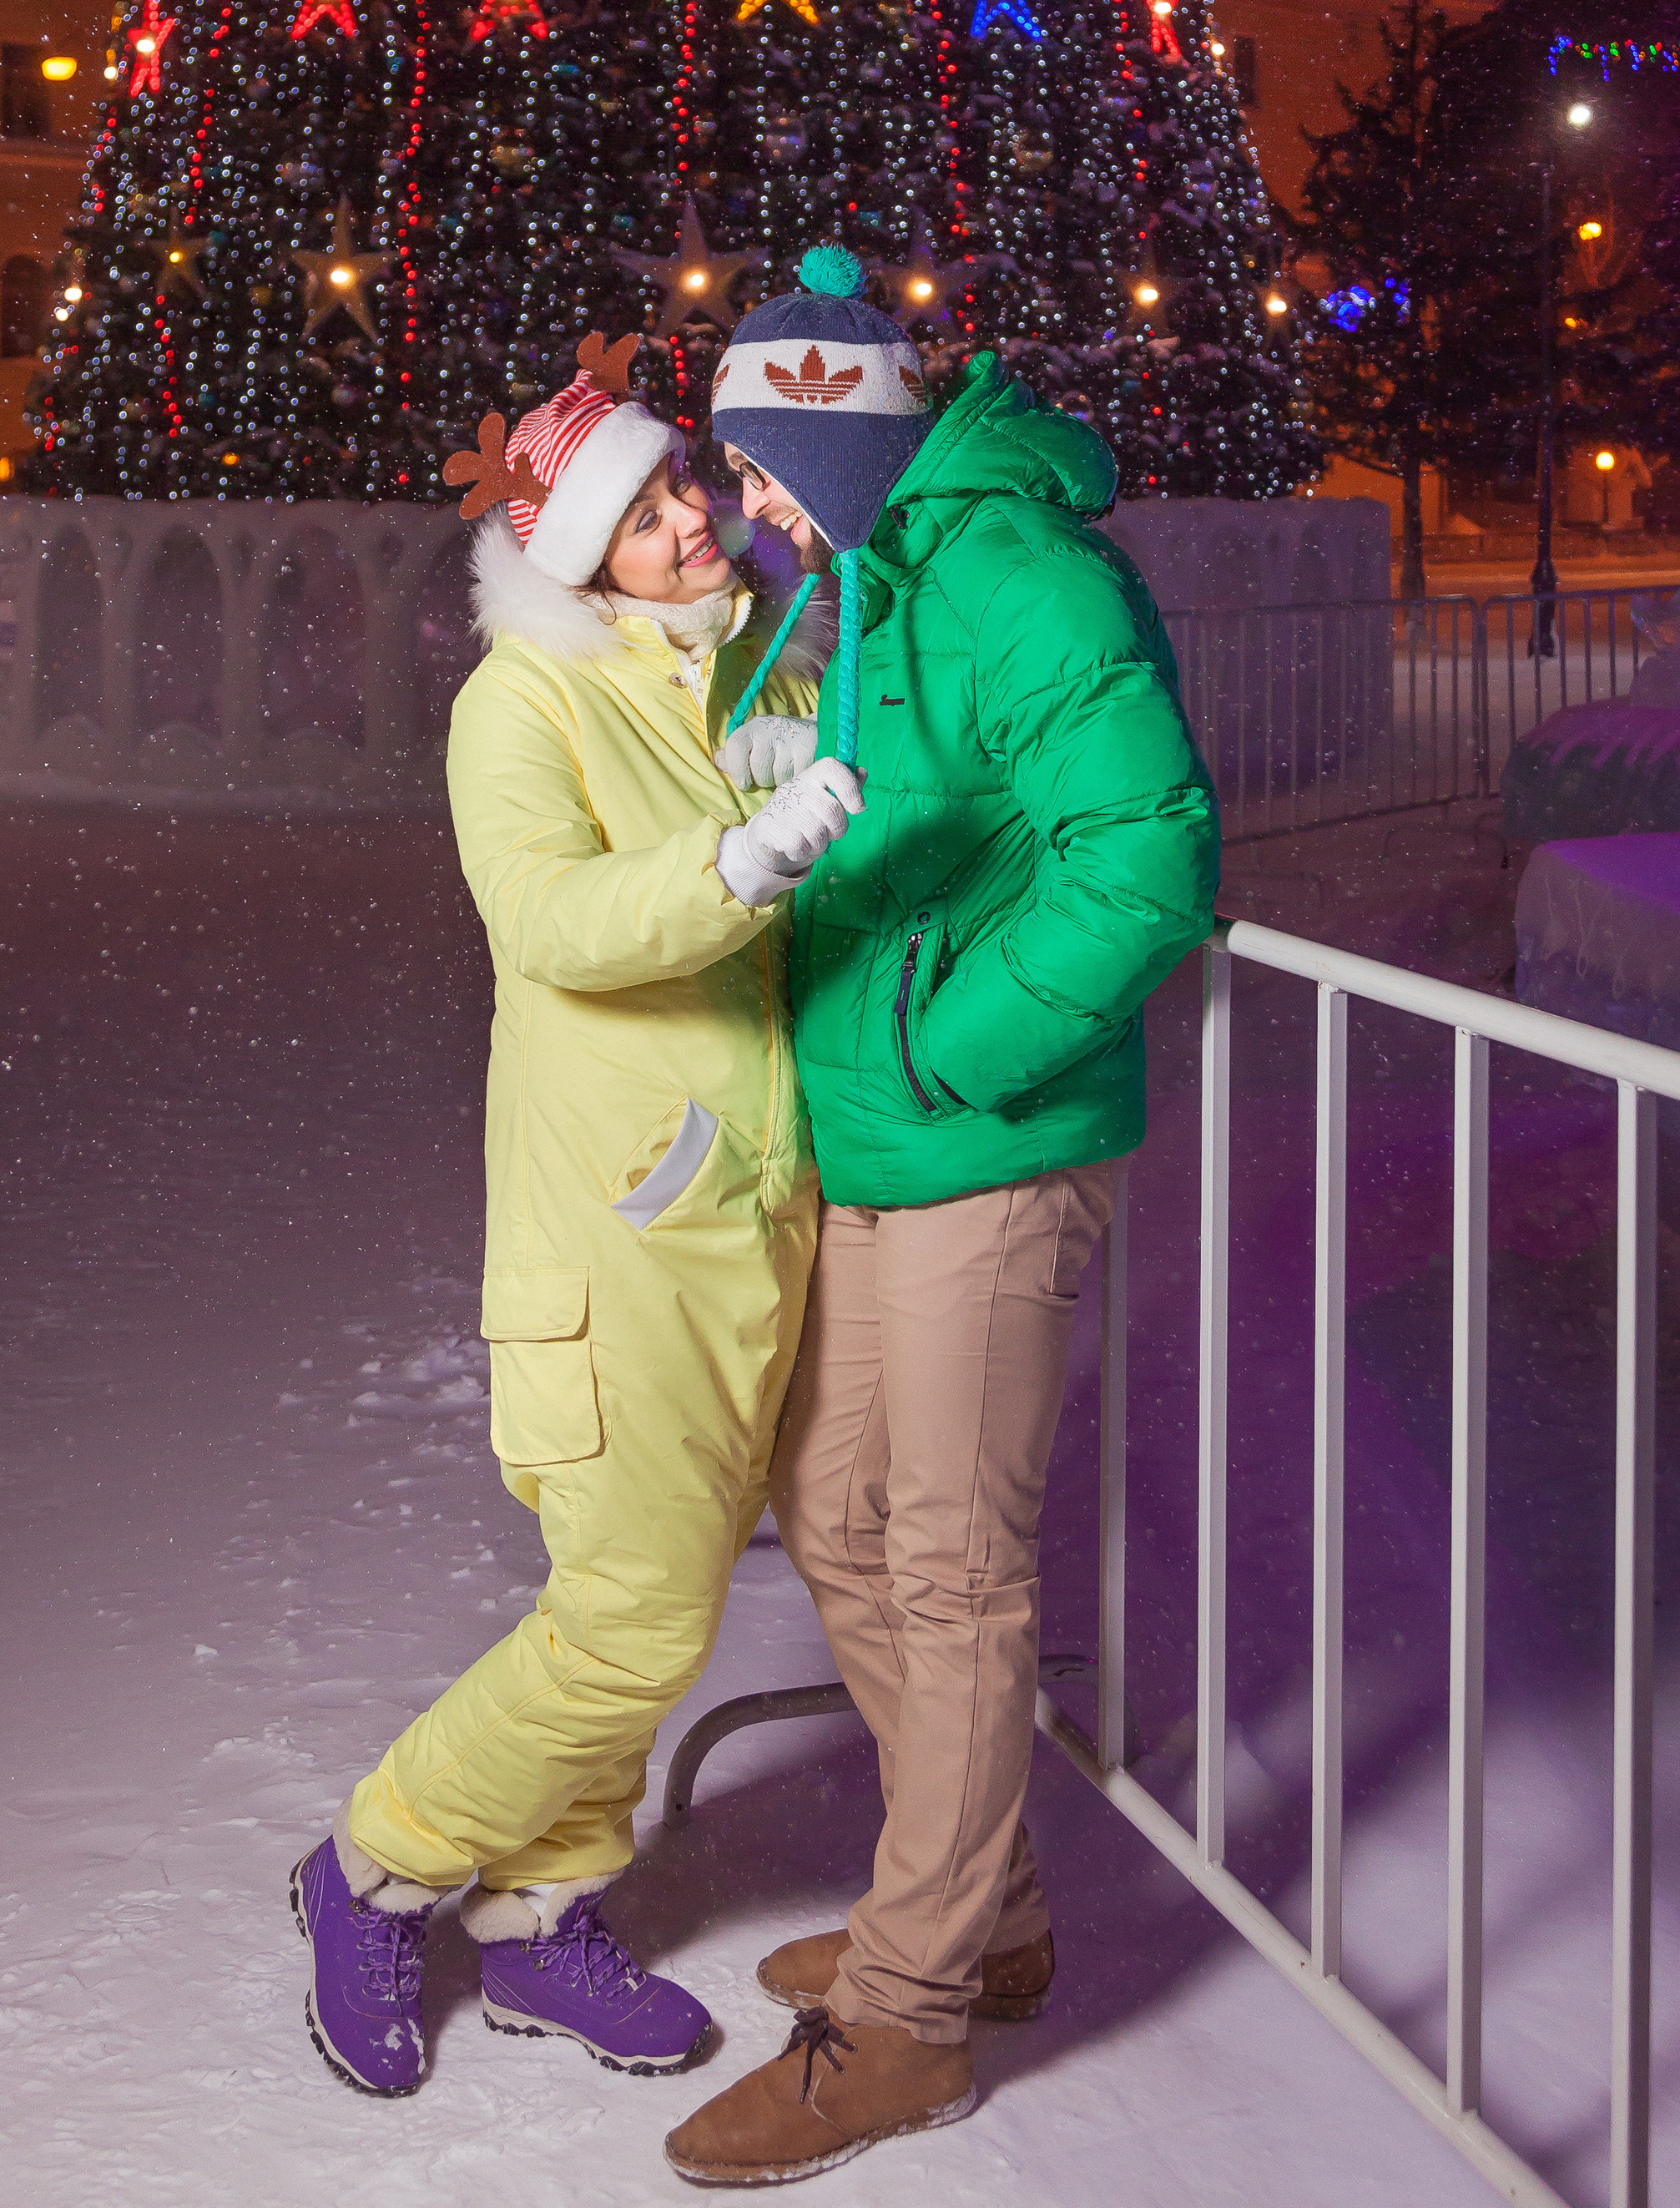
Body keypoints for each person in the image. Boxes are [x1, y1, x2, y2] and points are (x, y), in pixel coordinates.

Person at [663, 248, 1220, 2186]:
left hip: (984, 1143)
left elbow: (1144, 860)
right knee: (832, 1516)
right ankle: (974, 1909)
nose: (739, 506)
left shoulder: (1010, 571)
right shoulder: (873, 581)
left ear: (824, 439)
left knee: (953, 1563)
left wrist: (940, 1048)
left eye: (751, 469)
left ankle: (905, 2018)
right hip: (877, 1142)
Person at [290, 333, 862, 2096]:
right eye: (640, 514)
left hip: (740, 1224)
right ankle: (374, 1863)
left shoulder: (729, 673)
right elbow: (546, 922)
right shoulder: (524, 703)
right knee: (631, 1617)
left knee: (633, 1600)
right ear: (570, 560)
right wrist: (732, 864)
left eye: (684, 482)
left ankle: (540, 1920)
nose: (689, 515)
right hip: (615, 1245)